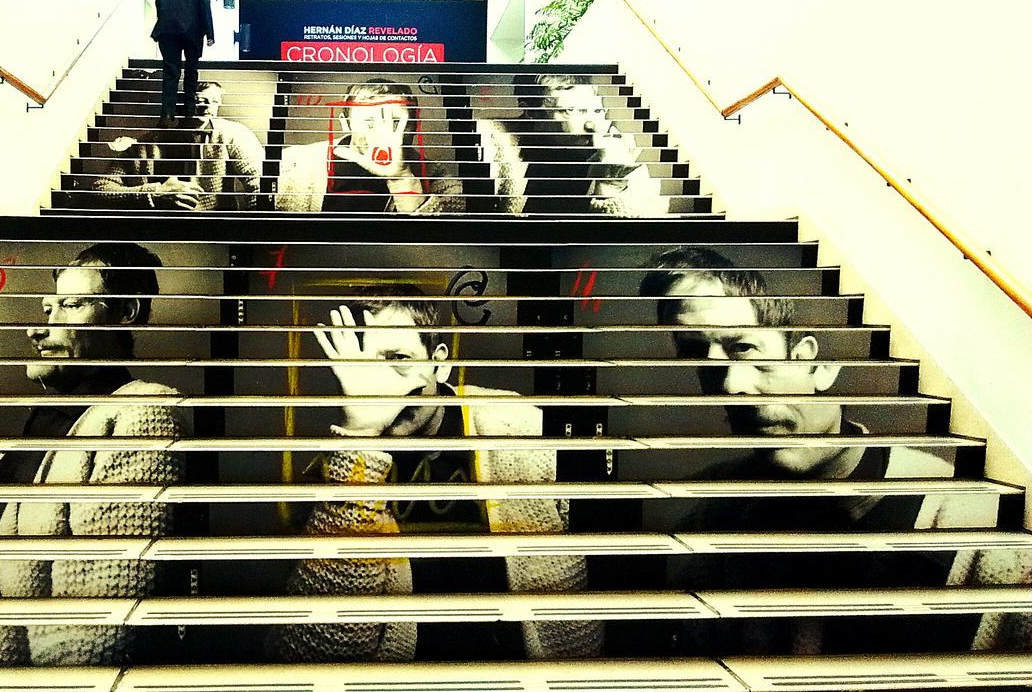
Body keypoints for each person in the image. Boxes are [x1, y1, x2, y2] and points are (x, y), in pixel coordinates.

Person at [638, 246, 992, 654]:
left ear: (815, 364)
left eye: (745, 348)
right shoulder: (710, 520)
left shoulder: (953, 515)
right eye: (702, 360)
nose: (729, 387)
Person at [0, 242, 188, 666]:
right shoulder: (17, 450)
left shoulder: (140, 412)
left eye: (70, 305)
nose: (38, 329)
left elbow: (94, 632)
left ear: (125, 313)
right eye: (49, 309)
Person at [266, 285, 602, 662]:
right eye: (361, 364)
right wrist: (362, 437)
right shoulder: (338, 474)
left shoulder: (517, 427)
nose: (380, 385)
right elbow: (311, 650)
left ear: (439, 363)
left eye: (397, 358)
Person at [478, 74, 664, 216]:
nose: (592, 124)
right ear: (532, 112)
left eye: (597, 110)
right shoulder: (491, 143)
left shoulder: (615, 152)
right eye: (571, 111)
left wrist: (609, 188)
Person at [277, 80, 464, 215]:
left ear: (414, 126)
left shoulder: (441, 181)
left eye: (396, 122)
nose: (384, 134)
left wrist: (401, 180)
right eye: (370, 122)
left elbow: (437, 247)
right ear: (346, 124)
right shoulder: (294, 164)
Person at [95, 82, 263, 211]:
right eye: (200, 101)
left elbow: (260, 182)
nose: (208, 106)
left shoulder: (233, 134)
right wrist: (154, 192)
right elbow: (101, 188)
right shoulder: (147, 144)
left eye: (214, 101)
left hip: (214, 229)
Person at [151, 0, 215, 125]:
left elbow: (159, 5)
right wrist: (210, 34)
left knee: (171, 72)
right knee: (191, 70)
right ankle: (189, 108)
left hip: (167, 32)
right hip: (191, 31)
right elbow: (205, 7)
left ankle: (167, 113)